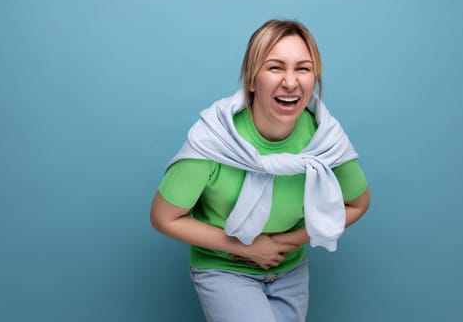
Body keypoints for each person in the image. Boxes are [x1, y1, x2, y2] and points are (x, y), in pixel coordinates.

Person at [150, 19, 370, 322]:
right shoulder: (215, 138)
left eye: (302, 69)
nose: (290, 82)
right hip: (223, 270)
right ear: (252, 80)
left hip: (290, 269)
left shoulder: (324, 138)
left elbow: (358, 203)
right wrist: (249, 248)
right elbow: (163, 217)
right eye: (275, 68)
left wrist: (286, 243)